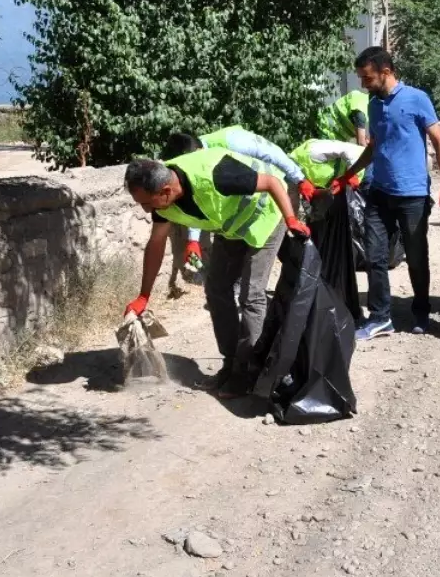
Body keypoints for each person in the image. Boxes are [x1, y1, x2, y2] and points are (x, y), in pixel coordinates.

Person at [124, 151, 311, 397]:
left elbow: (271, 182)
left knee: (251, 295)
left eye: (146, 203)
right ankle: (232, 363)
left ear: (166, 192)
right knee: (216, 289)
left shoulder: (216, 175)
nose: (146, 211)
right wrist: (143, 296)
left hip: (266, 215)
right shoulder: (161, 197)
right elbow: (156, 244)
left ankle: (247, 372)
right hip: (231, 225)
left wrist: (291, 219)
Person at [331, 47, 440, 339]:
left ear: (385, 72)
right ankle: (380, 317)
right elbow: (374, 147)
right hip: (379, 193)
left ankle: (422, 310)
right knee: (375, 256)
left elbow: (438, 139)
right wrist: (348, 175)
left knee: (416, 256)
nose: (363, 83)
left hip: (412, 194)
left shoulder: (417, 98)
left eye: (367, 77)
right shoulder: (374, 104)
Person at [161, 127, 315, 271]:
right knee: (271, 252)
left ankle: (304, 277)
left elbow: (272, 152)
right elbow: (199, 196)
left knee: (277, 252)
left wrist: (300, 179)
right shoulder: (190, 161)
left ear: (198, 151)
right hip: (251, 209)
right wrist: (193, 239)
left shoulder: (233, 141)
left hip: (278, 192)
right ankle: (299, 278)